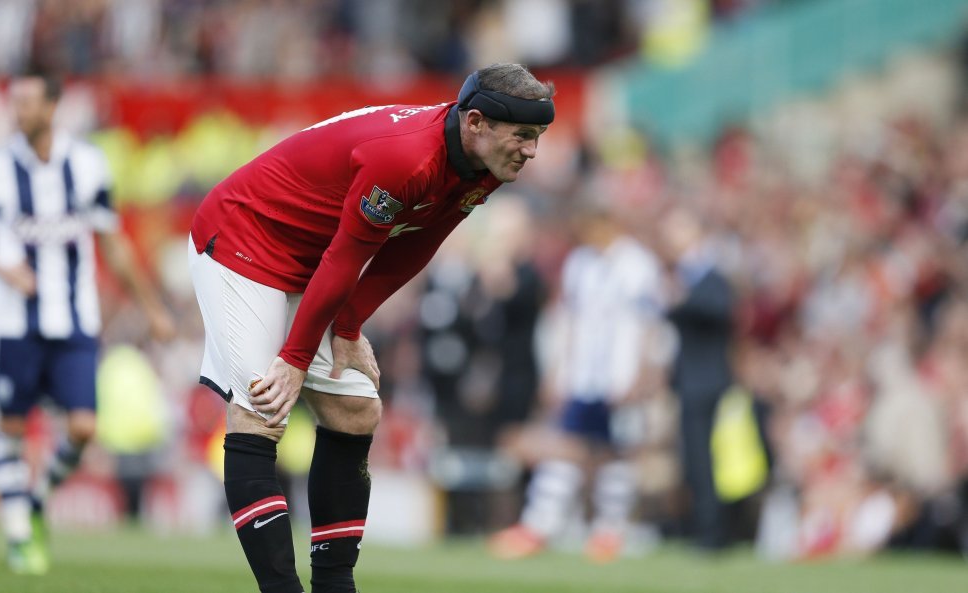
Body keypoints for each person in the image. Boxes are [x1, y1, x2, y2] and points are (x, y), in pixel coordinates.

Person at [187, 63, 554, 593]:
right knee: (262, 408)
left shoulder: (484, 163)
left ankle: (335, 586)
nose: (532, 150)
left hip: (309, 262)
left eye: (537, 136)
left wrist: (349, 324)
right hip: (244, 239)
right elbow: (346, 256)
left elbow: (418, 243)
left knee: (357, 410)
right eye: (523, 135)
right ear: (476, 122)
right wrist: (294, 359)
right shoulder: (405, 158)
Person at [0, 70, 176, 574]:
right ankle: (20, 536)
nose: (19, 111)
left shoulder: (87, 165)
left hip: (73, 319)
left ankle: (36, 499)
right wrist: (1, 269)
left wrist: (152, 308)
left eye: (28, 102)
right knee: (11, 426)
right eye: (14, 101)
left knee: (84, 427)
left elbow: (113, 242)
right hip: (10, 321)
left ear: (52, 107)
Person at [489, 200, 664, 563]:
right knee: (565, 447)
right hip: (583, 376)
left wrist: (642, 374)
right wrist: (558, 371)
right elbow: (568, 322)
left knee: (617, 452)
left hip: (620, 375)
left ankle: (609, 530)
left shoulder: (638, 264)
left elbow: (649, 325)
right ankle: (540, 525)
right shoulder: (580, 264)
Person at [659, 206, 736, 551]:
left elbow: (719, 311)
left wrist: (681, 302)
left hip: (706, 382)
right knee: (694, 459)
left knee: (705, 460)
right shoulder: (685, 276)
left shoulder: (708, 276)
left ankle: (712, 533)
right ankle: (702, 528)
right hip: (690, 381)